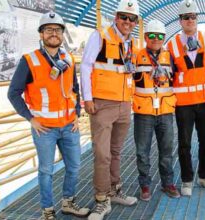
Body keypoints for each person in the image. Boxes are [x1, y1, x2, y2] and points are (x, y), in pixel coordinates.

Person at [7, 11, 89, 220]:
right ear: (41, 35)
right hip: (44, 128)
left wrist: (77, 114)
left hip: (69, 126)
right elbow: (13, 93)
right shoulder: (29, 61)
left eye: (58, 30)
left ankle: (68, 202)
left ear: (62, 34)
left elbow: (74, 88)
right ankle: (47, 210)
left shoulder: (68, 58)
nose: (54, 33)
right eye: (49, 30)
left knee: (74, 166)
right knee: (46, 171)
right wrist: (31, 119)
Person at [80, 0, 140, 219]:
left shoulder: (131, 42)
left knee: (115, 152)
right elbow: (86, 66)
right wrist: (87, 98)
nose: (127, 22)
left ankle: (115, 190)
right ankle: (101, 199)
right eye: (124, 17)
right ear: (116, 17)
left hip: (124, 105)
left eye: (132, 19)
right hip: (103, 103)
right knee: (102, 154)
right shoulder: (100, 36)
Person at [167, 0, 205, 196]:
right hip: (183, 105)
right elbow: (166, 72)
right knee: (185, 144)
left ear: (197, 19)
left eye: (193, 17)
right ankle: (187, 180)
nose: (190, 20)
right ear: (180, 21)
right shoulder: (171, 44)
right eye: (186, 17)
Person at [133, 20, 180, 201]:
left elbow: (177, 80)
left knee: (166, 149)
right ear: (145, 37)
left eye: (159, 36)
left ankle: (167, 183)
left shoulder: (169, 58)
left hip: (165, 111)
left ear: (164, 38)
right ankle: (145, 186)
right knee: (142, 151)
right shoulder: (136, 56)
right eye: (151, 35)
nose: (156, 39)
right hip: (143, 111)